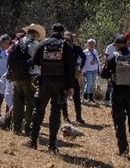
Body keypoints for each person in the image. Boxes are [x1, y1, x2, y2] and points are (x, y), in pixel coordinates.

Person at [29, 23, 78, 152]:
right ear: (62, 33)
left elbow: (35, 61)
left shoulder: (43, 44)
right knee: (55, 113)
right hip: (60, 85)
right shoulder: (65, 46)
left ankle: (33, 140)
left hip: (44, 83)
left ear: (52, 31)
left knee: (38, 111)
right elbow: (70, 68)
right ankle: (52, 145)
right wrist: (71, 86)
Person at [101, 35, 130, 156]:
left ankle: (123, 149)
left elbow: (103, 75)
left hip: (118, 92)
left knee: (119, 121)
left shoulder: (113, 57)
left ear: (119, 45)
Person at [9, 24, 45, 136]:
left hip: (16, 76)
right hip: (29, 77)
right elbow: (39, 62)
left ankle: (16, 127)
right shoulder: (35, 44)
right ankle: (27, 127)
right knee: (30, 103)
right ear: (35, 33)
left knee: (17, 102)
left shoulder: (18, 42)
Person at [81, 38, 100, 102]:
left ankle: (91, 97)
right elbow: (83, 63)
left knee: (92, 83)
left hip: (95, 70)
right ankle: (85, 96)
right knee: (89, 82)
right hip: (88, 70)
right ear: (87, 44)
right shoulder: (85, 52)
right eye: (90, 43)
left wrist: (99, 69)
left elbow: (98, 61)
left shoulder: (95, 51)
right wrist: (83, 71)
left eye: (93, 43)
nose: (91, 45)